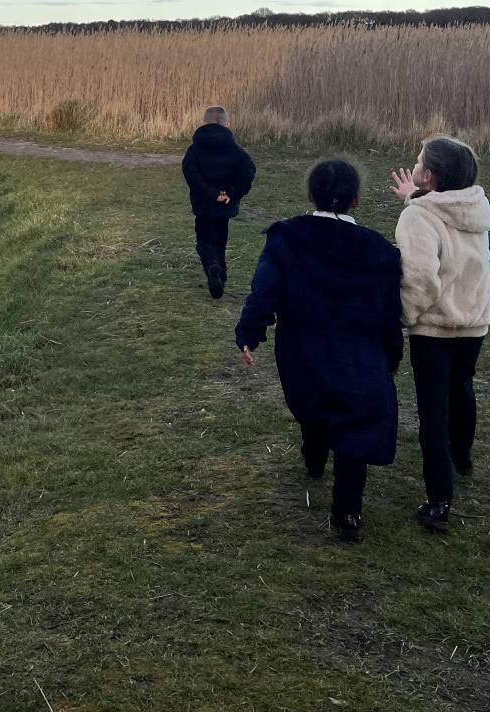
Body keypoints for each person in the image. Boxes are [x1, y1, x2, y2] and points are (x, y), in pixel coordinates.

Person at [236, 160, 402, 543]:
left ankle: (314, 456)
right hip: (361, 353)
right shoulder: (379, 251)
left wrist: (249, 332)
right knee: (356, 423)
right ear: (356, 201)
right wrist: (392, 355)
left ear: (310, 195)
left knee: (314, 401)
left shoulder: (287, 237)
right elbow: (389, 312)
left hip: (302, 347)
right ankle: (348, 512)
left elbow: (265, 291)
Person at [390, 136, 490, 532]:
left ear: (429, 177)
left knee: (432, 412)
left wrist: (404, 316)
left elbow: (420, 280)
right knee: (462, 387)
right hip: (474, 321)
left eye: (418, 162)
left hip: (434, 327)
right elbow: (442, 214)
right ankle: (462, 458)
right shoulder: (476, 208)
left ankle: (438, 500)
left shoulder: (418, 217)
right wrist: (412, 196)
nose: (413, 165)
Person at [181, 105, 257, 298]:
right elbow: (248, 171)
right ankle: (220, 274)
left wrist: (211, 193)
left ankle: (213, 268)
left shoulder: (195, 148)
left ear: (203, 123)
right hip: (226, 205)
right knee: (220, 239)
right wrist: (232, 193)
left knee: (204, 241)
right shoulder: (235, 149)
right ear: (228, 125)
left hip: (204, 204)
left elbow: (191, 174)